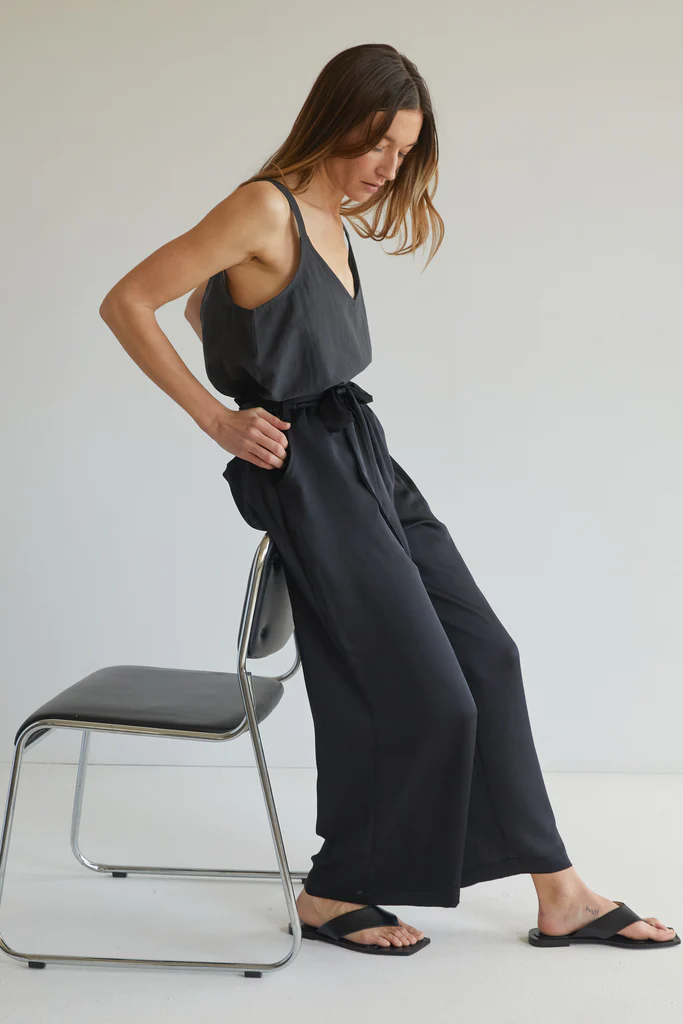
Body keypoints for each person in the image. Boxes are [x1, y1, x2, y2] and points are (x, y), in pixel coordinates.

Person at [99, 43, 678, 957]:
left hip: (365, 452)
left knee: (488, 656)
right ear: (337, 118)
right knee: (423, 692)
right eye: (378, 144)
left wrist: (230, 333)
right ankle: (333, 891)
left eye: (402, 153)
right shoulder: (264, 206)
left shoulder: (332, 219)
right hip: (306, 475)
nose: (387, 167)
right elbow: (130, 299)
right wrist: (220, 419)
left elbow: (207, 307)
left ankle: (558, 888)